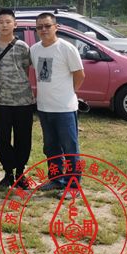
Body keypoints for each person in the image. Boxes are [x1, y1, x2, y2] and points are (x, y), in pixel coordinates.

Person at [29, 12, 86, 192]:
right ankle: (55, 180)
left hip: (65, 108)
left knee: (70, 148)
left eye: (47, 26)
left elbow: (79, 75)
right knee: (50, 147)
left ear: (56, 27)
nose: (44, 30)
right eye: (40, 27)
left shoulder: (67, 48)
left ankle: (73, 185)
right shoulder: (34, 49)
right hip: (44, 107)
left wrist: (69, 92)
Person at [0, 8, 36, 189]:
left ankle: (20, 173)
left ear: (15, 24)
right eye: (1, 22)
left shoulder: (23, 47)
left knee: (23, 138)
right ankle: (8, 172)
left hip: (23, 101)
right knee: (3, 139)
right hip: (0, 101)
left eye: (8, 22)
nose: (5, 25)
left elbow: (25, 69)